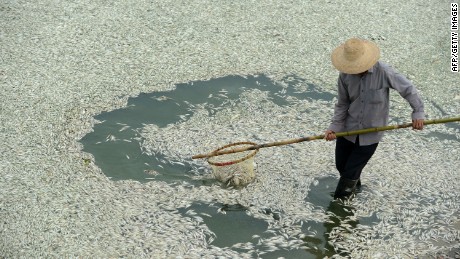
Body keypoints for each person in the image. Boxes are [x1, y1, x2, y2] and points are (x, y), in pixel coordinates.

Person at [325, 38, 425, 200]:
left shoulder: (384, 72)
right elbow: (343, 104)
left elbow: (408, 90)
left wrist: (418, 113)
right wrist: (334, 128)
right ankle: (356, 190)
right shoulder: (345, 75)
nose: (354, 70)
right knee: (342, 166)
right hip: (348, 130)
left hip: (371, 132)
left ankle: (340, 202)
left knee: (350, 171)